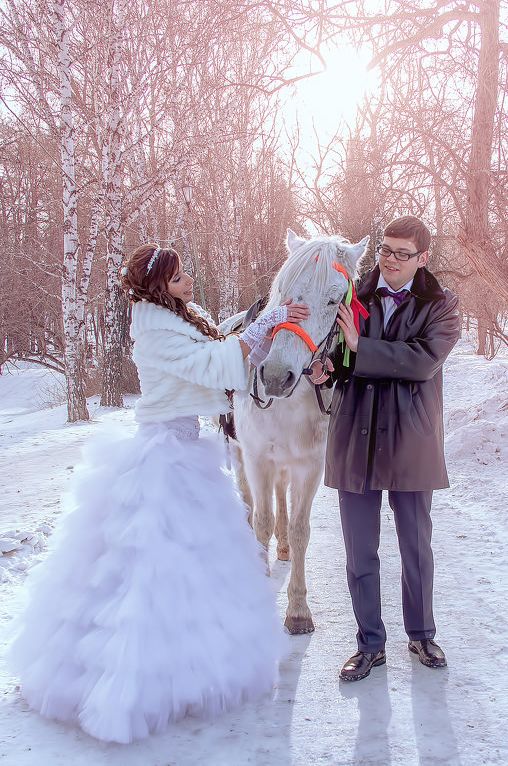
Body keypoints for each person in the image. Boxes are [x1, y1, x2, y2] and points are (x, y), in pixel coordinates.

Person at [10, 243, 309, 742]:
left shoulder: (177, 320)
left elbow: (226, 359)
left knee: (195, 572)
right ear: (156, 288)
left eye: (185, 273)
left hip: (188, 449)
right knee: (150, 578)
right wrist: (266, 321)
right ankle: (135, 687)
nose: (188, 281)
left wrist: (271, 330)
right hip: (162, 455)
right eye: (177, 279)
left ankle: (193, 667)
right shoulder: (153, 331)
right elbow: (213, 365)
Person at [324, 215, 459, 681]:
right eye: (385, 249)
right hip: (354, 434)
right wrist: (327, 366)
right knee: (359, 550)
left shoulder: (442, 306)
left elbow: (422, 362)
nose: (390, 260)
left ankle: (421, 635)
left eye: (402, 253)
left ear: (423, 258)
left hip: (410, 438)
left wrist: (360, 347)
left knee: (415, 546)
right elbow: (335, 356)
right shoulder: (349, 297)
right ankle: (369, 645)